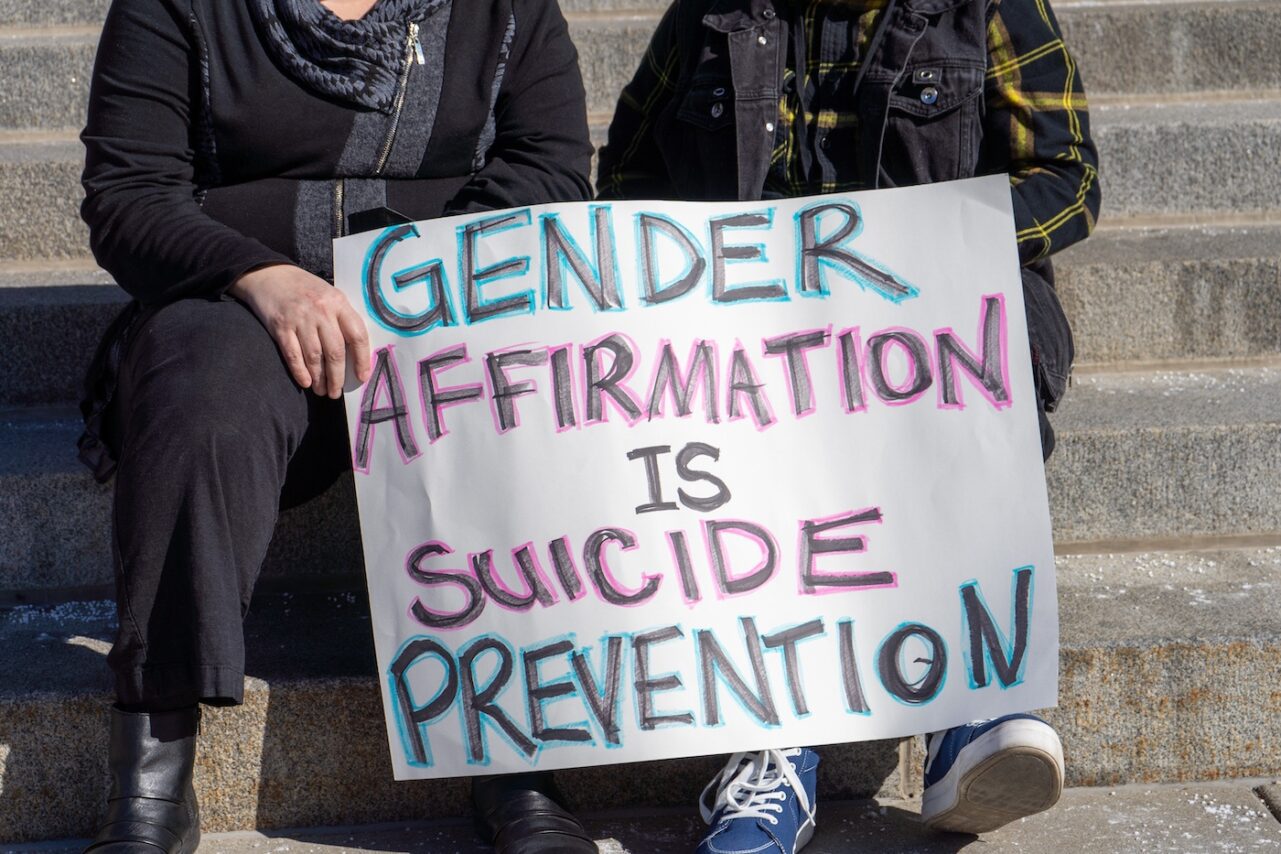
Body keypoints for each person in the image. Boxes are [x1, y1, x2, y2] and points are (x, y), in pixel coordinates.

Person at [77, 0, 596, 851]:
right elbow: (128, 198)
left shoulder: (507, 10)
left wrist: (414, 274)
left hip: (439, 301)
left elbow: (553, 168)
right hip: (235, 304)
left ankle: (518, 755)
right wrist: (260, 274)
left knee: (517, 380)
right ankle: (151, 772)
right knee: (199, 397)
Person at [596, 0, 1100, 849]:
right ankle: (771, 741)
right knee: (712, 418)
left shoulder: (985, 7)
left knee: (980, 362)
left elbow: (1066, 176)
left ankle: (964, 702)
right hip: (751, 329)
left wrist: (907, 251)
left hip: (935, 302)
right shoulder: (708, 15)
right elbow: (627, 180)